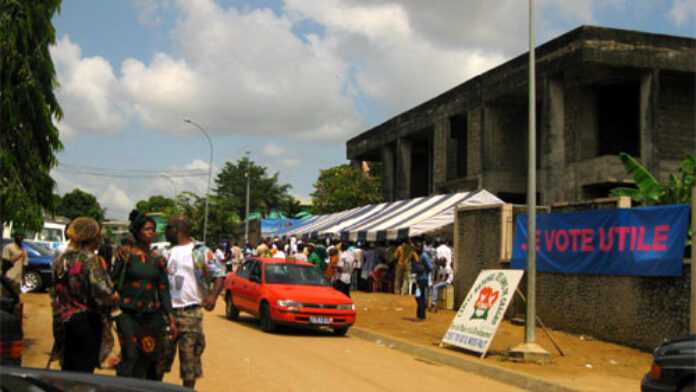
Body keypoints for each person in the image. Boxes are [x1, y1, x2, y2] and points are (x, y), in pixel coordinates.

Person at [160, 215, 225, 389]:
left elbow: (219, 274)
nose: (165, 232)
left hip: (191, 313)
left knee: (190, 366)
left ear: (177, 230)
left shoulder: (201, 251)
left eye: (168, 228)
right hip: (166, 313)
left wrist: (212, 296)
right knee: (159, 361)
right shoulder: (165, 252)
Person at [112, 210, 175, 380]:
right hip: (127, 314)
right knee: (131, 354)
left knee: (149, 355)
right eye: (147, 229)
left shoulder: (158, 260)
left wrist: (170, 316)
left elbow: (163, 289)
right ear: (137, 232)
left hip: (151, 315)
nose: (151, 232)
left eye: (153, 229)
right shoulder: (125, 256)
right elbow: (112, 283)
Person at [50, 217, 118, 373]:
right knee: (83, 371)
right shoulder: (90, 259)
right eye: (99, 235)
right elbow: (103, 291)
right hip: (86, 322)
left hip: (63, 321)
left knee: (68, 368)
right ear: (91, 236)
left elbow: (55, 290)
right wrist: (115, 296)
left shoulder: (60, 259)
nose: (100, 239)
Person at [412, 242, 432, 321]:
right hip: (419, 279)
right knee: (418, 296)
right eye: (417, 247)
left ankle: (421, 315)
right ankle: (420, 314)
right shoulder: (419, 256)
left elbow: (430, 267)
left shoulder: (424, 256)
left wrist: (423, 269)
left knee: (420, 296)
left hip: (423, 279)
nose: (417, 248)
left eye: (419, 247)